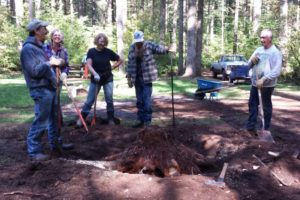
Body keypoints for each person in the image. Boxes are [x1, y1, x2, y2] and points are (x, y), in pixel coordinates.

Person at [20, 20, 73, 161]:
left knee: (56, 119)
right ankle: (34, 152)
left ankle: (56, 145)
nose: (47, 31)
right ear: (36, 31)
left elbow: (44, 66)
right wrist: (50, 63)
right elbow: (35, 71)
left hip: (50, 88)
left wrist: (58, 65)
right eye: (44, 28)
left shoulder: (39, 47)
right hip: (41, 90)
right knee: (41, 121)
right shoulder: (28, 49)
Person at [126, 31, 174, 128]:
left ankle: (148, 121)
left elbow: (159, 49)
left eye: (140, 41)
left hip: (147, 78)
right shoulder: (132, 48)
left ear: (143, 39)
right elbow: (130, 64)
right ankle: (140, 120)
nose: (139, 43)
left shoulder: (149, 45)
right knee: (139, 100)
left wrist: (168, 49)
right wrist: (129, 77)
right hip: (137, 78)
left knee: (146, 100)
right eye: (137, 42)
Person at [76, 33, 122, 126]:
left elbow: (120, 60)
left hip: (107, 78)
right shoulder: (91, 51)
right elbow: (88, 64)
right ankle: (81, 119)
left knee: (109, 100)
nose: (103, 43)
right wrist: (95, 74)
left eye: (104, 41)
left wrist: (112, 67)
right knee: (90, 100)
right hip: (95, 79)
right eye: (101, 41)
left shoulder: (108, 52)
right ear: (97, 41)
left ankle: (110, 119)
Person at [243, 29, 282, 133]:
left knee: (265, 107)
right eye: (261, 37)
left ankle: (264, 129)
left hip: (267, 85)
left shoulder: (275, 53)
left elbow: (277, 71)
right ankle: (250, 126)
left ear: (270, 39)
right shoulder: (258, 50)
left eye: (264, 37)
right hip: (255, 83)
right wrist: (252, 61)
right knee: (252, 104)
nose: (261, 40)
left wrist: (264, 78)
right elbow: (248, 65)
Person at [44, 29, 70, 128]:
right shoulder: (45, 47)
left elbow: (66, 65)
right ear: (51, 37)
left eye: (59, 35)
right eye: (55, 35)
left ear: (61, 38)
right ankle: (49, 123)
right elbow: (42, 61)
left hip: (58, 80)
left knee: (56, 101)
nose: (57, 37)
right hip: (47, 79)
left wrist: (64, 73)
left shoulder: (63, 51)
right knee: (48, 100)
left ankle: (59, 122)